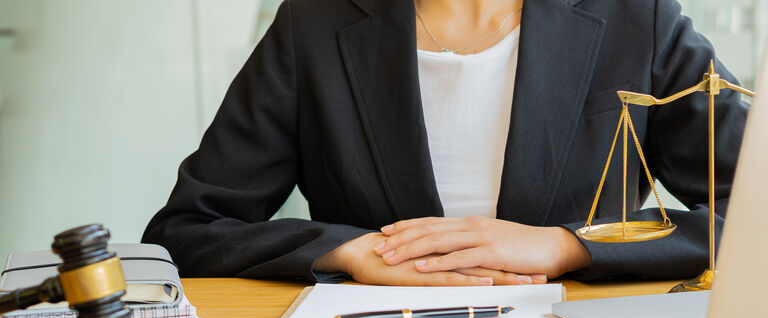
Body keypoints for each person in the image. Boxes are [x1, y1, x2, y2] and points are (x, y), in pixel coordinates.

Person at [142, 0, 749, 286]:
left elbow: (755, 211)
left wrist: (569, 247)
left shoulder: (635, 16)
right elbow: (189, 231)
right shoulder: (314, 22)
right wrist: (348, 254)